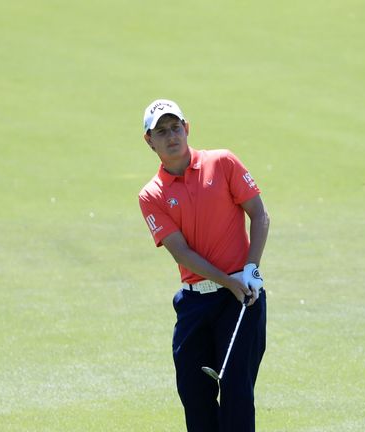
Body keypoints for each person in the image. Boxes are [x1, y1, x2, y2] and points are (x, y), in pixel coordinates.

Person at [137, 99, 270, 431]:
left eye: (176, 127)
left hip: (241, 300)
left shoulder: (222, 162)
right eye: (161, 131)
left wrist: (250, 270)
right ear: (149, 141)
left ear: (187, 128)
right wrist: (228, 280)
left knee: (237, 395)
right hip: (196, 302)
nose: (171, 136)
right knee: (194, 396)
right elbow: (181, 252)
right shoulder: (151, 195)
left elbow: (259, 214)